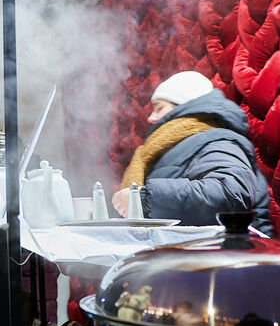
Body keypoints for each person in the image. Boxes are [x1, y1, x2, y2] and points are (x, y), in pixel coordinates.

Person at [112, 70, 271, 234]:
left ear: (186, 108)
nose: (151, 118)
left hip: (221, 254)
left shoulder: (217, 141)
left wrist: (143, 199)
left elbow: (232, 194)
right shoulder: (172, 148)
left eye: (160, 108)